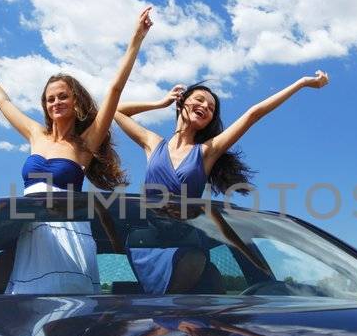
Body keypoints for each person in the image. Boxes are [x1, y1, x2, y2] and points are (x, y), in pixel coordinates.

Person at [0, 7, 153, 293]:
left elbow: (114, 91)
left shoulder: (86, 143)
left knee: (69, 295)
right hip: (32, 230)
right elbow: (3, 102)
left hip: (69, 233)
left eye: (62, 96)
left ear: (75, 101)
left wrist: (136, 39)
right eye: (50, 99)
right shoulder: (35, 134)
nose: (55, 102)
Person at [114, 71, 330, 293]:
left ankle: (167, 315)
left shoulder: (207, 151)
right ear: (181, 102)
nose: (206, 108)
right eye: (200, 100)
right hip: (149, 243)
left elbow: (253, 114)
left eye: (211, 108)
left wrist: (301, 83)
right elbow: (117, 111)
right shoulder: (153, 143)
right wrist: (161, 103)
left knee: (193, 264)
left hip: (186, 242)